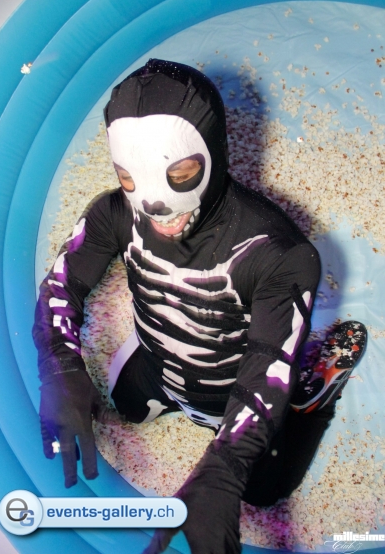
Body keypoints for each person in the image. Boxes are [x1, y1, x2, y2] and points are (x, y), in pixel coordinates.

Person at [33, 59, 366, 554]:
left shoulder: (279, 254)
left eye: (181, 173)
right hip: (159, 371)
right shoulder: (113, 213)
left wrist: (225, 467)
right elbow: (60, 286)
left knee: (264, 489)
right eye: (128, 177)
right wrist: (59, 365)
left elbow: (266, 363)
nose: (153, 204)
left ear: (216, 150)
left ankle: (311, 399)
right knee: (121, 407)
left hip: (237, 389)